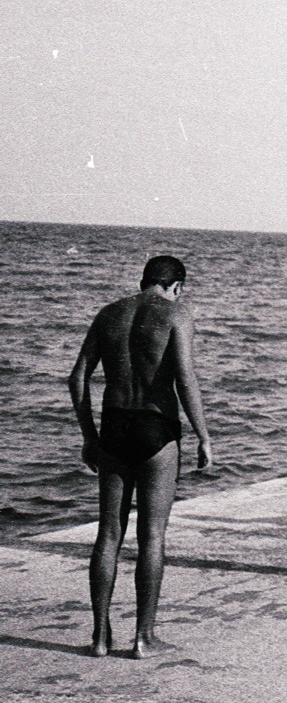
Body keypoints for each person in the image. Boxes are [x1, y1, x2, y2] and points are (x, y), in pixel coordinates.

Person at [66, 255, 213, 658]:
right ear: (177, 286)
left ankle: (99, 638)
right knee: (152, 537)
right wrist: (203, 436)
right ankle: (143, 638)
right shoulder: (176, 314)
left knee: (108, 535)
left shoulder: (109, 313)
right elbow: (185, 378)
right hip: (156, 430)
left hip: (113, 428)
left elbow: (77, 377)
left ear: (144, 280)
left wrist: (89, 437)